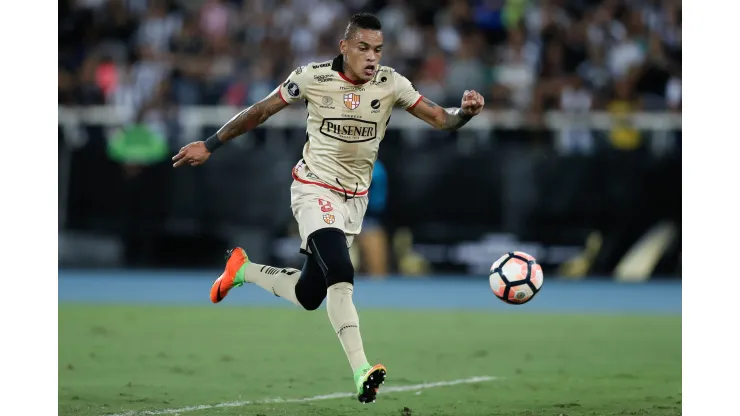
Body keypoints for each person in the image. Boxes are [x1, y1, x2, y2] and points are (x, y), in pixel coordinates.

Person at [172, 12, 485, 404]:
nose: (372, 57)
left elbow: (441, 119)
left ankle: (242, 269)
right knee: (341, 270)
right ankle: (361, 370)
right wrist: (210, 144)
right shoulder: (312, 77)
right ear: (344, 47)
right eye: (363, 48)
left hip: (355, 201)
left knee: (308, 295)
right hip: (313, 188)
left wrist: (465, 114)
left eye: (378, 50)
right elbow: (260, 111)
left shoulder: (391, 84)